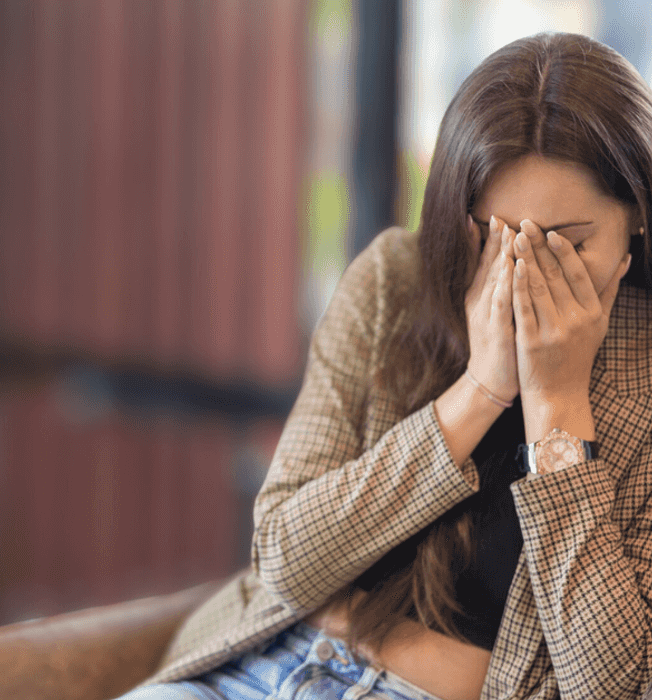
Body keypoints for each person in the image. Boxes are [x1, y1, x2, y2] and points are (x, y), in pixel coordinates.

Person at [117, 33, 652, 700]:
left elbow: (611, 687)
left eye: (566, 245)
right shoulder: (393, 283)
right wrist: (480, 391)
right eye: (497, 238)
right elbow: (283, 560)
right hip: (262, 671)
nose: (524, 277)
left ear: (635, 216)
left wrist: (558, 411)